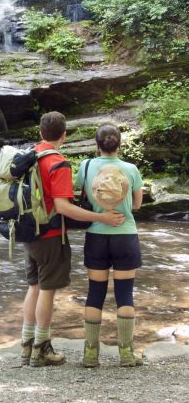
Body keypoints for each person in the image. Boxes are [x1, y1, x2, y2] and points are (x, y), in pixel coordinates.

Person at [21, 111, 125, 368]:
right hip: (51, 235)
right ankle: (41, 349)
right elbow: (64, 207)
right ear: (64, 135)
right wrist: (100, 218)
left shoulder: (31, 155)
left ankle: (26, 345)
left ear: (40, 133)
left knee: (33, 286)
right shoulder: (58, 162)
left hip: (29, 230)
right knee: (47, 289)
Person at [75, 122, 143, 368]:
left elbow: (79, 194)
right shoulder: (131, 169)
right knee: (125, 294)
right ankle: (126, 353)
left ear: (97, 144)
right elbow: (136, 205)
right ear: (120, 144)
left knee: (95, 293)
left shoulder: (87, 166)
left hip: (96, 235)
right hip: (125, 234)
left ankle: (91, 354)